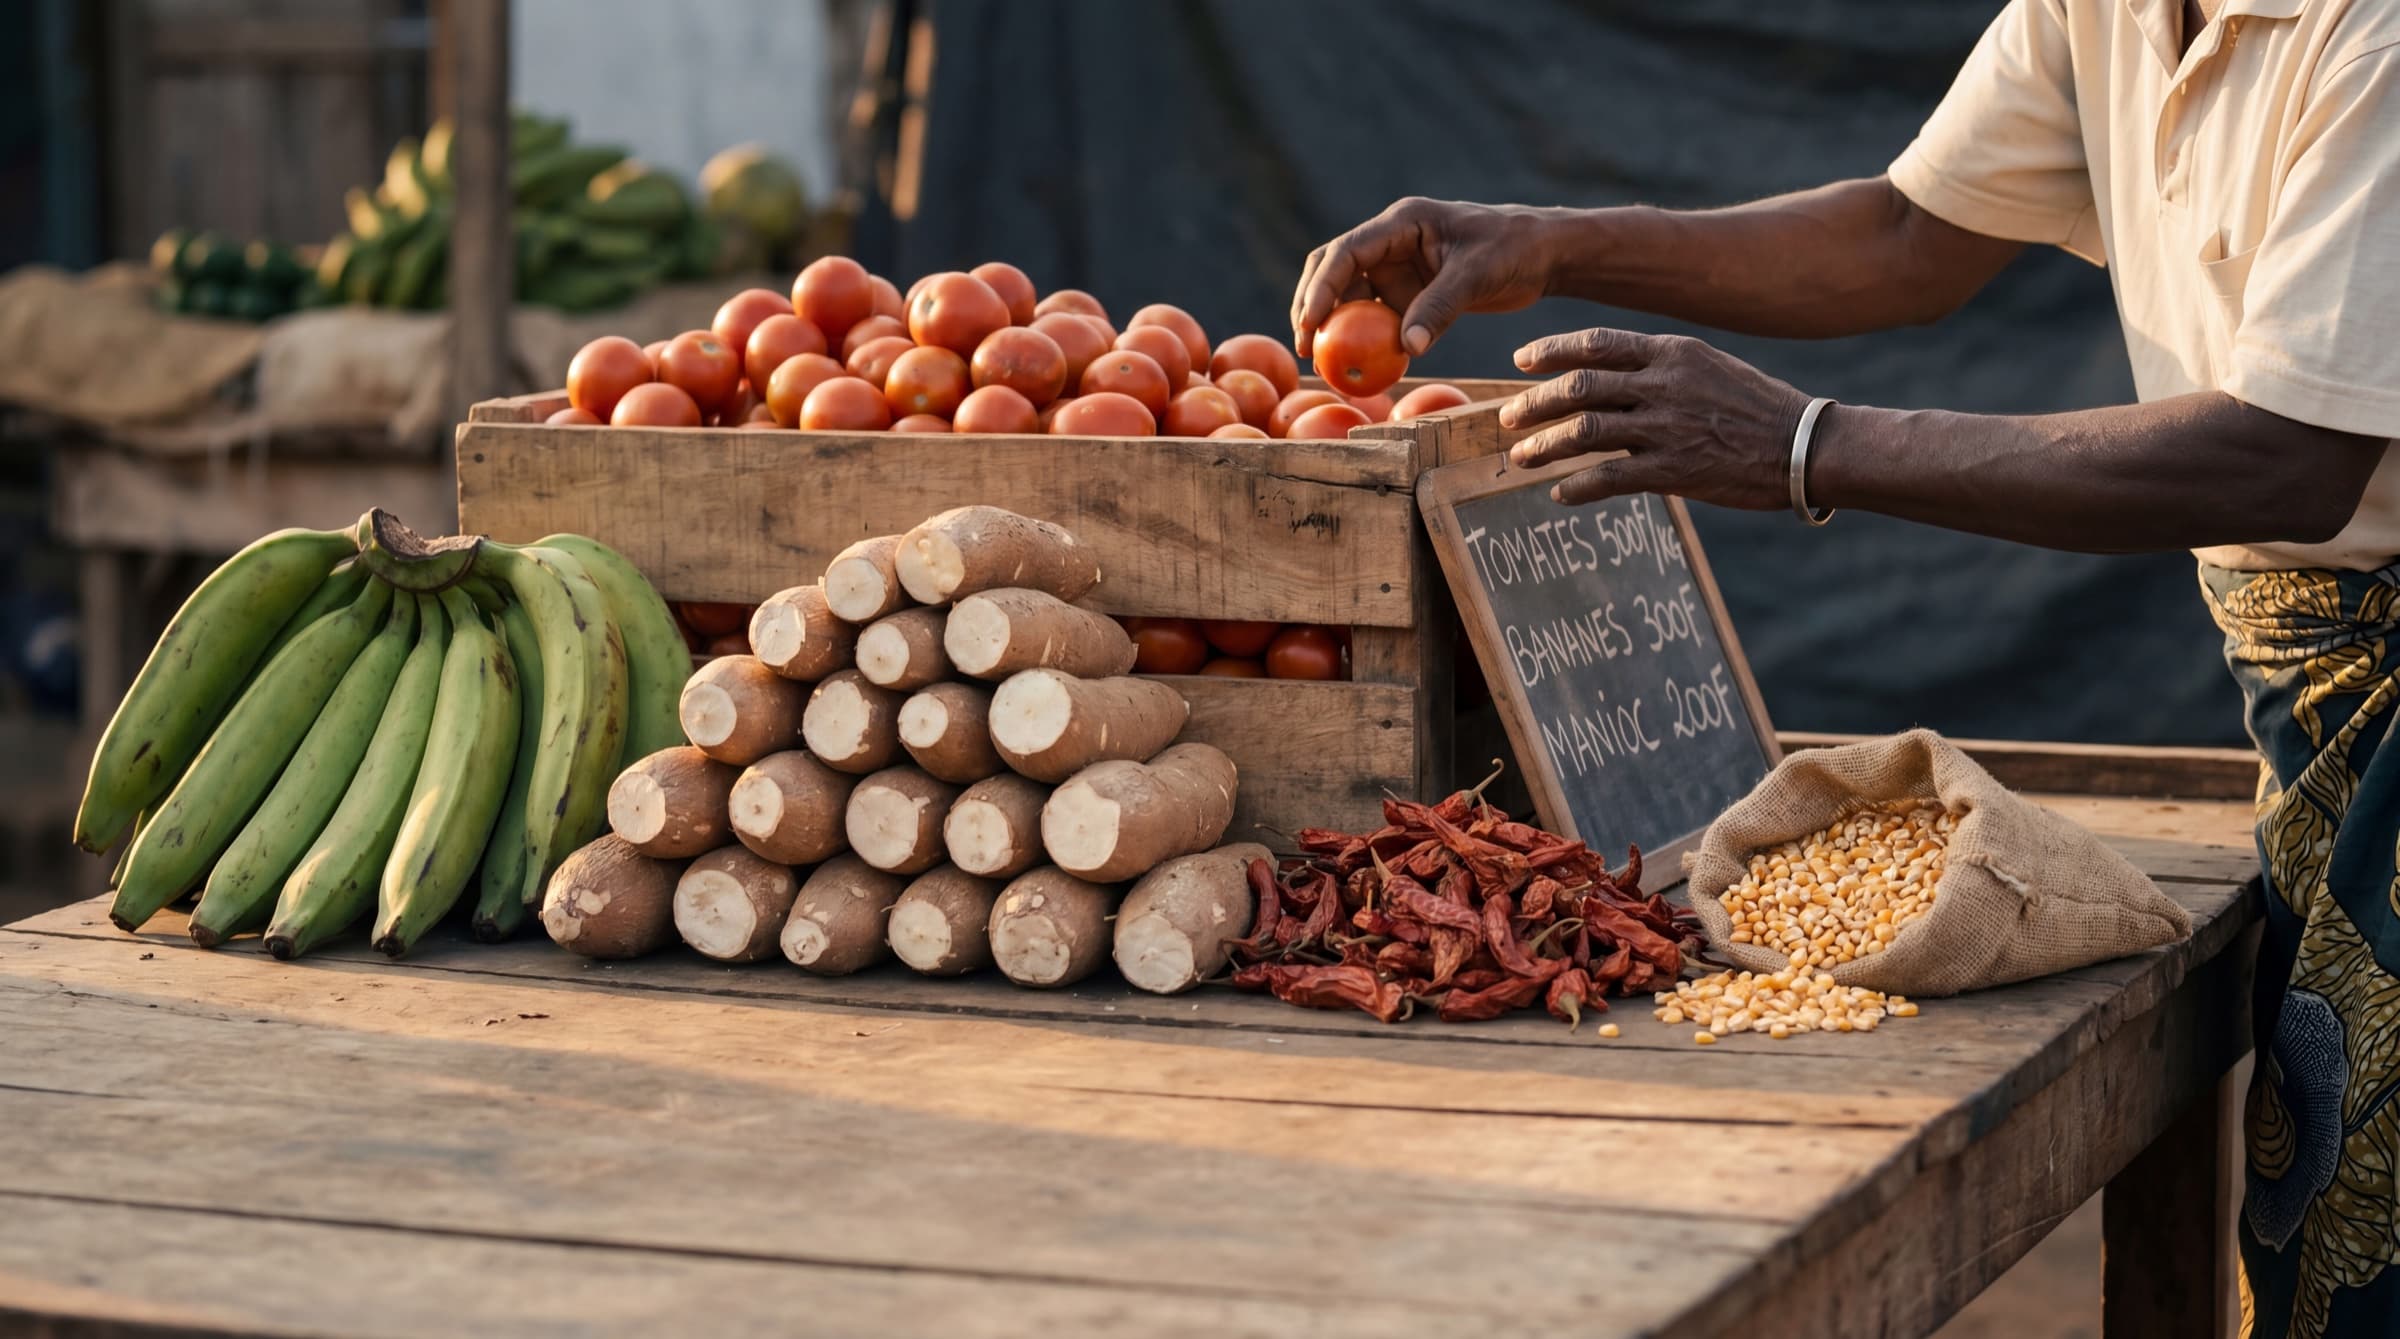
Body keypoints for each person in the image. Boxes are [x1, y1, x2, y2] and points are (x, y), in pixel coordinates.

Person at [1291, 1, 2400, 1334]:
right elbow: (1908, 235)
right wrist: (1550, 243)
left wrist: (1810, 444)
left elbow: (2289, 456)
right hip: (2312, 698)